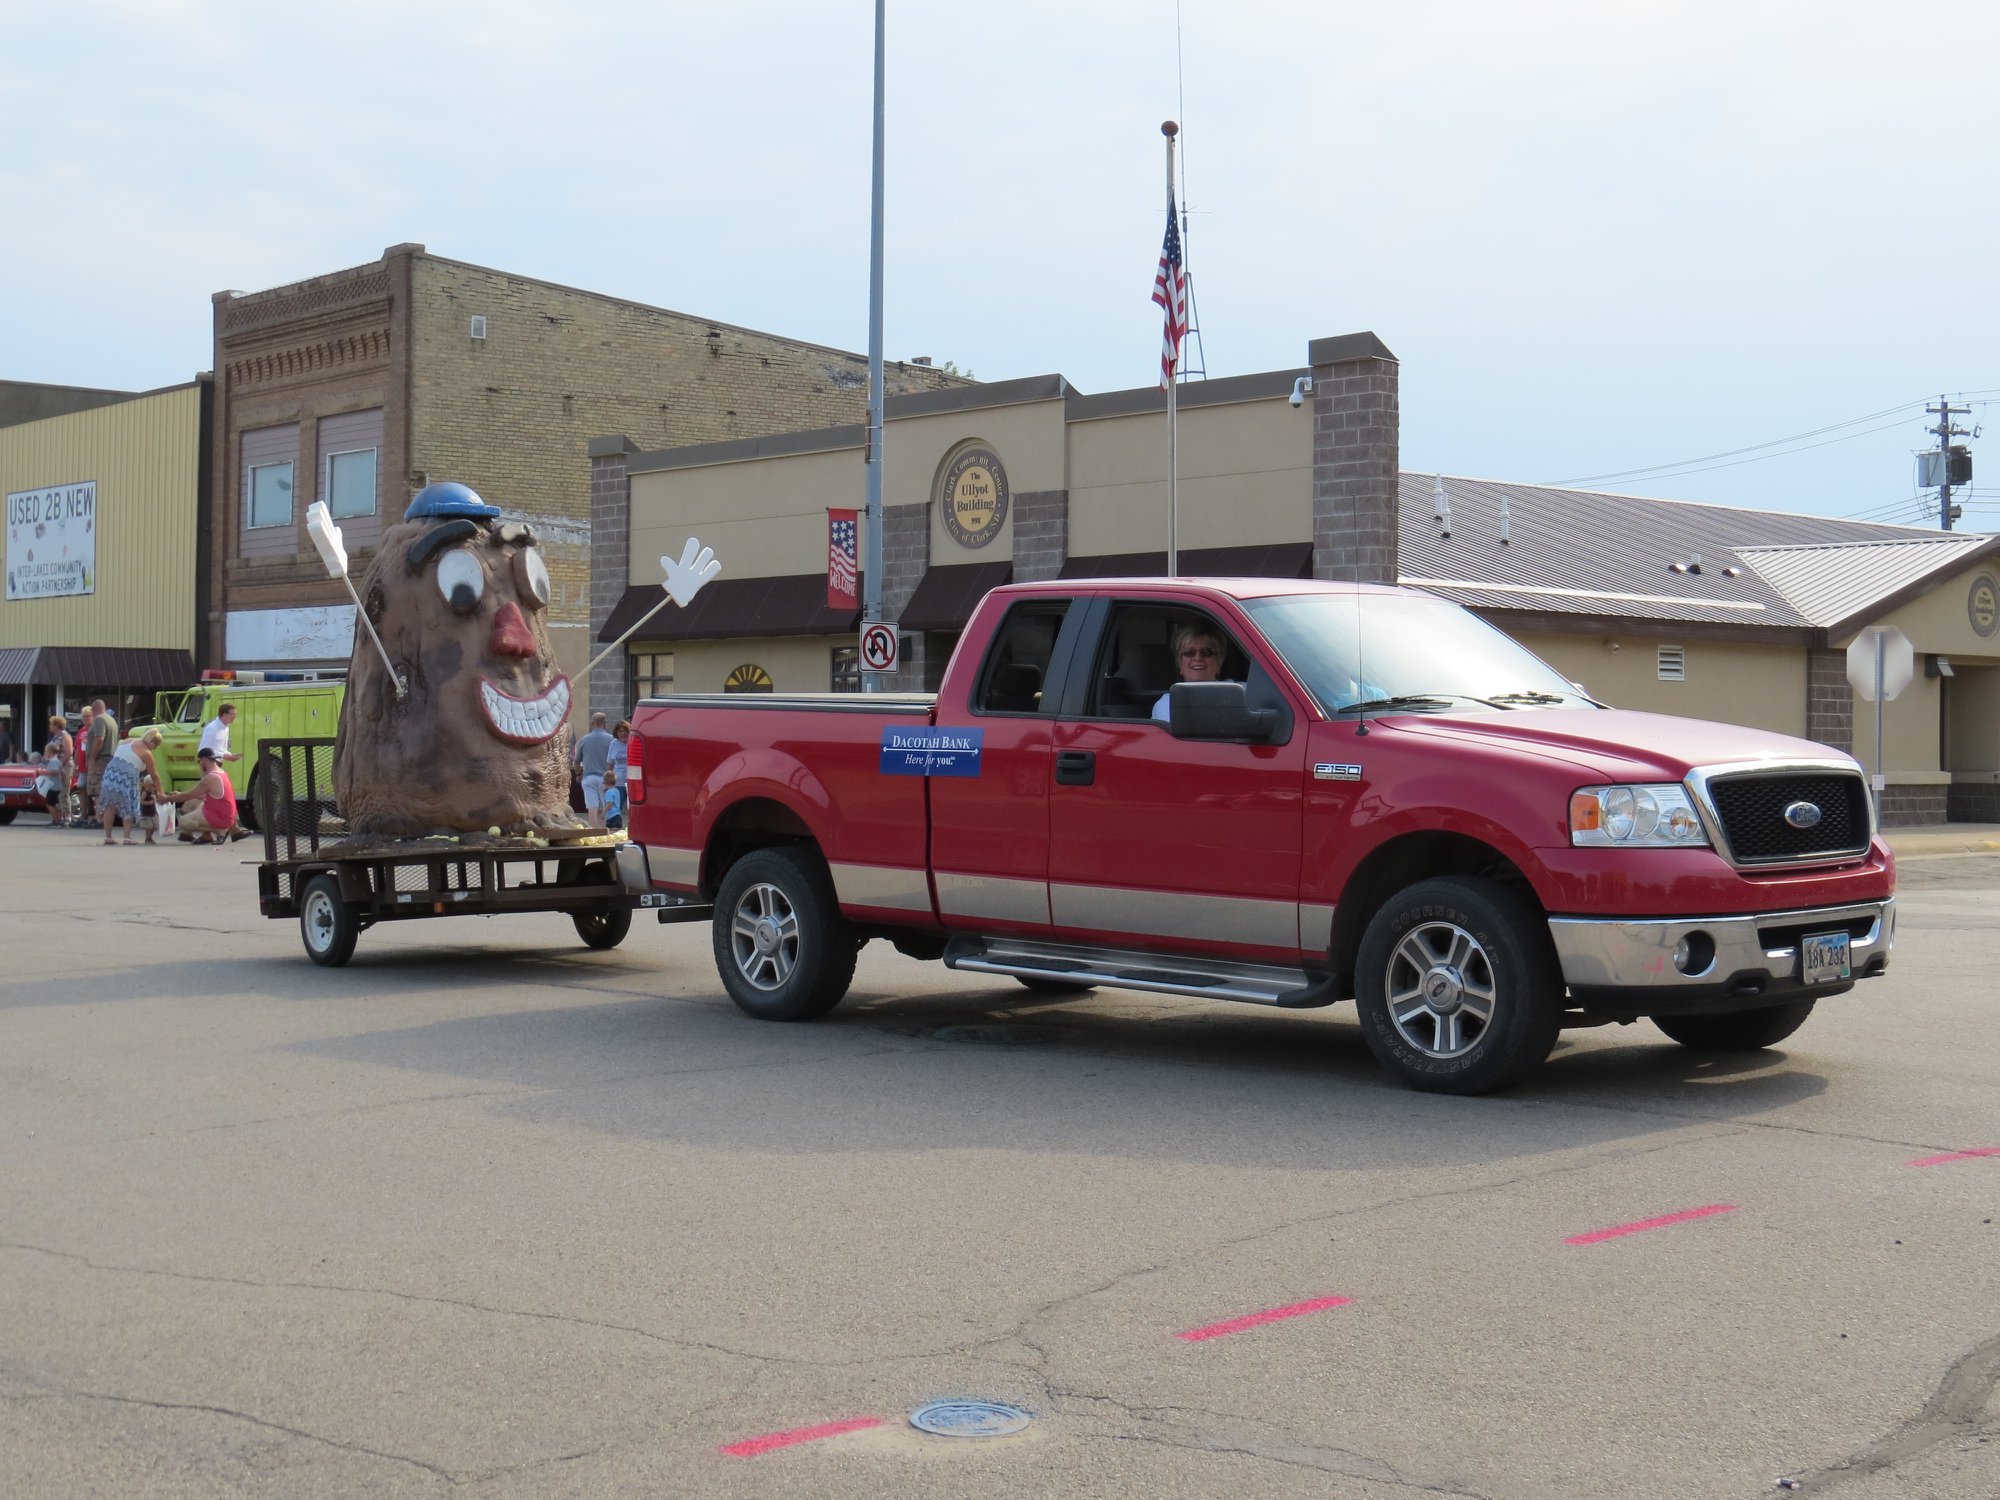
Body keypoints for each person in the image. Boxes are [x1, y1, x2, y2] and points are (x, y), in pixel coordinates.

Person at [168, 747, 248, 844]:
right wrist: (179, 794)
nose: (199, 764)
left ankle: (221, 831)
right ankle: (205, 835)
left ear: (204, 760)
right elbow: (199, 795)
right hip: (223, 812)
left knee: (183, 822)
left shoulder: (211, 777)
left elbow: (190, 794)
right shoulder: (221, 772)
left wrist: (167, 799)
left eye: (199, 761)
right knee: (192, 803)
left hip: (222, 817)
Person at [98, 728, 161, 846]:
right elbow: (155, 776)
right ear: (153, 741)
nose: (155, 748)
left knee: (110, 805)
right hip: (127, 776)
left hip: (111, 772)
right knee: (129, 805)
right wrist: (161, 793)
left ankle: (108, 836)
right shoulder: (146, 753)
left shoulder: (128, 741)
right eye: (156, 745)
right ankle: (127, 837)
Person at [1152, 623, 1227, 722]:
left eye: (1206, 652)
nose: (1197, 658)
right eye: (1189, 652)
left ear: (1219, 661)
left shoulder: (1243, 695)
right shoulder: (1167, 704)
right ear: (1180, 663)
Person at [574, 711, 614, 827]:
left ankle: (593, 830)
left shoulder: (584, 740)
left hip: (588, 778)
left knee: (592, 806)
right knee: (605, 806)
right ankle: (604, 830)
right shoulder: (611, 740)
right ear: (605, 724)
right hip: (605, 779)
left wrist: (578, 774)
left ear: (592, 724)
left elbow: (576, 761)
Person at [84, 698, 119, 822]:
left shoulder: (99, 720)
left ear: (94, 710)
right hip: (110, 759)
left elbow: (99, 739)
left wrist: (92, 758)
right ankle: (105, 817)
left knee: (98, 790)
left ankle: (99, 818)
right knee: (106, 790)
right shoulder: (112, 720)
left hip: (101, 760)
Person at [44, 716, 74, 825]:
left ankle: (67, 818)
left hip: (64, 768)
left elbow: (69, 752)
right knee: (55, 793)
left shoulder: (65, 736)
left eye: (51, 724)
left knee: (63, 793)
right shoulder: (54, 737)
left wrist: (59, 765)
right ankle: (58, 818)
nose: (50, 726)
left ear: (57, 725)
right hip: (54, 768)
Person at [37, 740, 70, 825]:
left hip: (53, 786)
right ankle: (58, 819)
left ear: (50, 752)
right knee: (54, 803)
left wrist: (43, 773)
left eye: (46, 751)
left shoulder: (53, 761)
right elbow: (62, 773)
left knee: (49, 804)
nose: (45, 753)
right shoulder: (57, 761)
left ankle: (56, 820)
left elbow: (55, 772)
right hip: (57, 786)